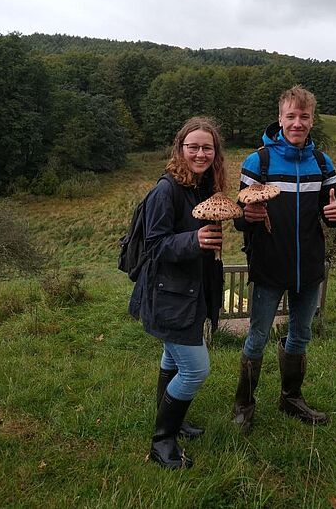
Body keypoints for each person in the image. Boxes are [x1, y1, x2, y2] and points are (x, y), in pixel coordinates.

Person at [232, 86, 336, 431]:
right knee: (257, 335)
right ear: (280, 118)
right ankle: (244, 405)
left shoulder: (322, 163)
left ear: (312, 120)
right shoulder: (259, 162)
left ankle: (291, 398)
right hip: (269, 266)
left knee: (300, 335)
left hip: (309, 267)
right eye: (291, 116)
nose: (297, 123)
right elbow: (239, 215)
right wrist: (246, 217)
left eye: (304, 116)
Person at [129, 117, 225, 469]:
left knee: (172, 359)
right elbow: (153, 247)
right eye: (193, 147)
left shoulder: (203, 189)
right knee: (196, 369)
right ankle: (162, 441)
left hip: (190, 294)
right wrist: (194, 240)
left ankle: (174, 422)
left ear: (216, 153)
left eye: (207, 148)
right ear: (180, 149)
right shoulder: (166, 190)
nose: (200, 153)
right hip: (168, 296)